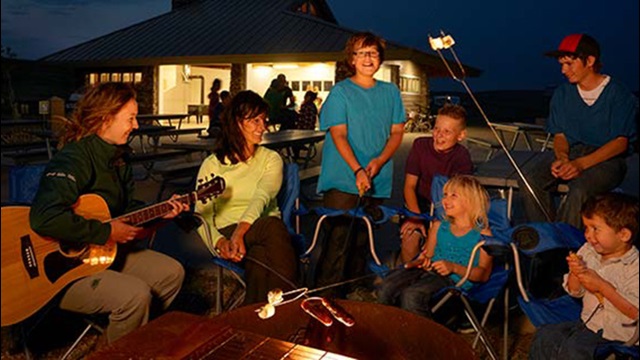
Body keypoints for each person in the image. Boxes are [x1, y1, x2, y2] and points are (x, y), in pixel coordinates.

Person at [29, 82, 189, 344]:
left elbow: (126, 212)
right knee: (135, 294)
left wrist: (162, 212)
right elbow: (44, 216)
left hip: (102, 252)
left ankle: (126, 343)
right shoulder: (75, 158)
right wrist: (105, 231)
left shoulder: (119, 158)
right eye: (130, 118)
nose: (136, 126)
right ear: (105, 119)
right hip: (59, 271)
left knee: (171, 272)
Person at [315, 31, 405, 298]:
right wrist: (357, 169)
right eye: (361, 53)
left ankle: (355, 293)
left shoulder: (390, 92)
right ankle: (325, 297)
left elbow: (397, 132)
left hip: (376, 175)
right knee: (338, 241)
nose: (368, 58)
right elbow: (338, 134)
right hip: (345, 176)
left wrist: (378, 161)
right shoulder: (341, 92)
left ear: (380, 59)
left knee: (361, 240)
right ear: (351, 59)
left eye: (373, 53)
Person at [520, 34, 638, 228]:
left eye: (569, 63)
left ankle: (567, 247)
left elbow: (620, 143)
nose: (563, 70)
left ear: (590, 61)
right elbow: (560, 135)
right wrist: (563, 158)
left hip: (606, 160)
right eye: (561, 64)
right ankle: (546, 237)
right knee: (529, 178)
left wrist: (580, 165)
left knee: (580, 189)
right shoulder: (563, 94)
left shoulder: (619, 94)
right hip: (573, 152)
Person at [194, 90, 297, 305]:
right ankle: (293, 308)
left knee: (259, 256)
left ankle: (259, 321)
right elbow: (201, 214)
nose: (263, 127)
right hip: (228, 229)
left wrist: (241, 231)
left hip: (259, 230)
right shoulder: (213, 165)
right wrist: (219, 241)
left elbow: (262, 195)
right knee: (272, 227)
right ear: (237, 123)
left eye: (264, 121)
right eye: (256, 120)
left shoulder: (271, 159)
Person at [529, 193, 639, 360]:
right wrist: (575, 272)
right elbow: (575, 292)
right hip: (589, 324)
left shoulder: (634, 267)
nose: (588, 235)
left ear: (623, 235)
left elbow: (635, 312)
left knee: (574, 350)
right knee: (545, 336)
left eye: (595, 229)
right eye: (586, 228)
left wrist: (603, 287)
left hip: (620, 334)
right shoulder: (588, 251)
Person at [377, 176, 493, 323]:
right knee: (386, 286)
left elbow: (483, 275)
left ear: (470, 201)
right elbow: (427, 255)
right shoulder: (439, 226)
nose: (445, 200)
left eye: (453, 196)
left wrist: (453, 267)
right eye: (445, 195)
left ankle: (424, 339)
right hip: (429, 272)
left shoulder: (483, 234)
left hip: (455, 279)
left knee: (412, 295)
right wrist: (420, 261)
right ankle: (388, 329)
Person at [399, 104, 474, 264]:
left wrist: (436, 229)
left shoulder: (462, 157)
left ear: (460, 136)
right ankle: (407, 278)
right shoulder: (420, 145)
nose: (439, 136)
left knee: (434, 247)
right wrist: (415, 217)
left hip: (448, 208)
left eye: (447, 132)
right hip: (419, 204)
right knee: (410, 237)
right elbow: (409, 186)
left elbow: (461, 198)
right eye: (437, 129)